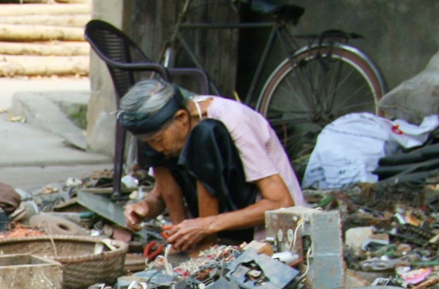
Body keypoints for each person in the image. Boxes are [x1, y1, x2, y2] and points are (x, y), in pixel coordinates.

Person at [118, 78, 305, 251]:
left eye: (159, 139)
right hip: (218, 225)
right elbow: (159, 195)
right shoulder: (169, 134)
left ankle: (206, 248)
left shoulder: (230, 117)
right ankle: (180, 240)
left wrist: (207, 225)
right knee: (156, 145)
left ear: (182, 117)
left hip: (266, 231)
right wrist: (145, 206)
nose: (157, 147)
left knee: (205, 136)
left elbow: (281, 202)